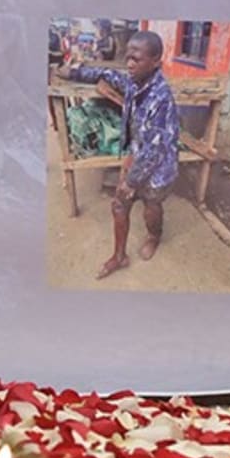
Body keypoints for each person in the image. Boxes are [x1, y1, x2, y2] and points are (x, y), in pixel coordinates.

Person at [61, 31, 182, 280]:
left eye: (136, 59)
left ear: (156, 60)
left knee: (151, 206)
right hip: (138, 155)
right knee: (119, 204)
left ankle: (154, 236)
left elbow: (155, 149)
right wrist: (75, 72)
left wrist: (131, 181)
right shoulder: (134, 82)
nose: (129, 64)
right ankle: (119, 256)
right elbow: (107, 74)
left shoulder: (161, 98)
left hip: (159, 166)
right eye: (127, 58)